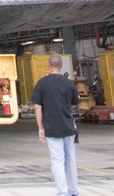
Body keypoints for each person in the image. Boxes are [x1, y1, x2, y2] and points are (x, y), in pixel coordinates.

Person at [31, 53, 79, 196]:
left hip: (52, 128)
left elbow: (38, 107)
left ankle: (63, 192)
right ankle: (73, 191)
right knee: (70, 160)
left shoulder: (42, 83)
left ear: (49, 65)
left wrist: (40, 128)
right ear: (61, 65)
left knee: (57, 160)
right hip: (69, 127)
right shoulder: (69, 83)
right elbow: (74, 103)